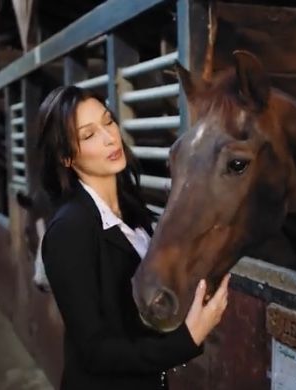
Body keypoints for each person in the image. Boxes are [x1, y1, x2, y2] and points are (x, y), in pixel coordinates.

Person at [37, 85, 230, 389]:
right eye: (88, 135)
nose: (110, 137)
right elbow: (95, 352)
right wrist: (187, 339)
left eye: (108, 121)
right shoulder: (69, 230)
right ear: (66, 158)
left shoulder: (131, 207)